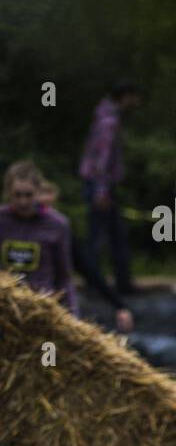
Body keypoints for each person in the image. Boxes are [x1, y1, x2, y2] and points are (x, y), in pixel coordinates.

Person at [36, 179, 133, 332]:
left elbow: (87, 269)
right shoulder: (7, 223)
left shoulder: (59, 228)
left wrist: (119, 305)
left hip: (51, 304)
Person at [79, 80, 142, 295]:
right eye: (134, 96)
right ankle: (96, 283)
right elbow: (102, 160)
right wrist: (101, 191)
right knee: (99, 238)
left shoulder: (106, 116)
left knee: (115, 235)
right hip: (100, 186)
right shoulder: (109, 122)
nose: (137, 102)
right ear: (125, 96)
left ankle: (122, 283)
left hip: (100, 185)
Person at [1, 161, 77, 315]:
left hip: (41, 310)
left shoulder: (57, 225)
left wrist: (73, 314)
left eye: (28, 195)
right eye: (18, 195)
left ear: (38, 192)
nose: (23, 201)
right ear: (8, 192)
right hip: (5, 308)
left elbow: (64, 276)